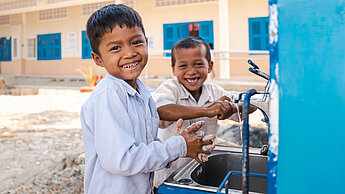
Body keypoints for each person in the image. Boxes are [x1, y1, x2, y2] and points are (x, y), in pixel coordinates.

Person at [80, 5, 214, 194]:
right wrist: (177, 146)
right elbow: (122, 160)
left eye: (136, 42)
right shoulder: (108, 95)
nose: (129, 53)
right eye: (116, 48)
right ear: (98, 59)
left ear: (146, 42)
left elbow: (142, 148)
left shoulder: (142, 93)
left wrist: (178, 145)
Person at [152, 36, 256, 187]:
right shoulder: (170, 88)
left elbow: (249, 105)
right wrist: (206, 110)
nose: (191, 71)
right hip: (168, 176)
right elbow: (161, 110)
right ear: (173, 69)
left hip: (200, 169)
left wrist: (234, 108)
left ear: (210, 66)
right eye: (183, 66)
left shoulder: (214, 91)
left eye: (198, 64)